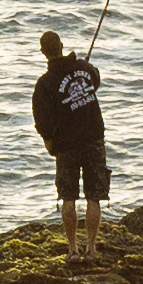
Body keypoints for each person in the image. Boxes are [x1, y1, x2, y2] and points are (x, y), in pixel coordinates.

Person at [32, 22, 109, 258]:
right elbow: (95, 81)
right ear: (62, 46)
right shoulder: (84, 69)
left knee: (68, 197)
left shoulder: (44, 84)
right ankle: (92, 248)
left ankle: (73, 249)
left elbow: (42, 120)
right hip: (93, 139)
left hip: (66, 146)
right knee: (94, 197)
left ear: (44, 52)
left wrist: (48, 141)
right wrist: (82, 69)